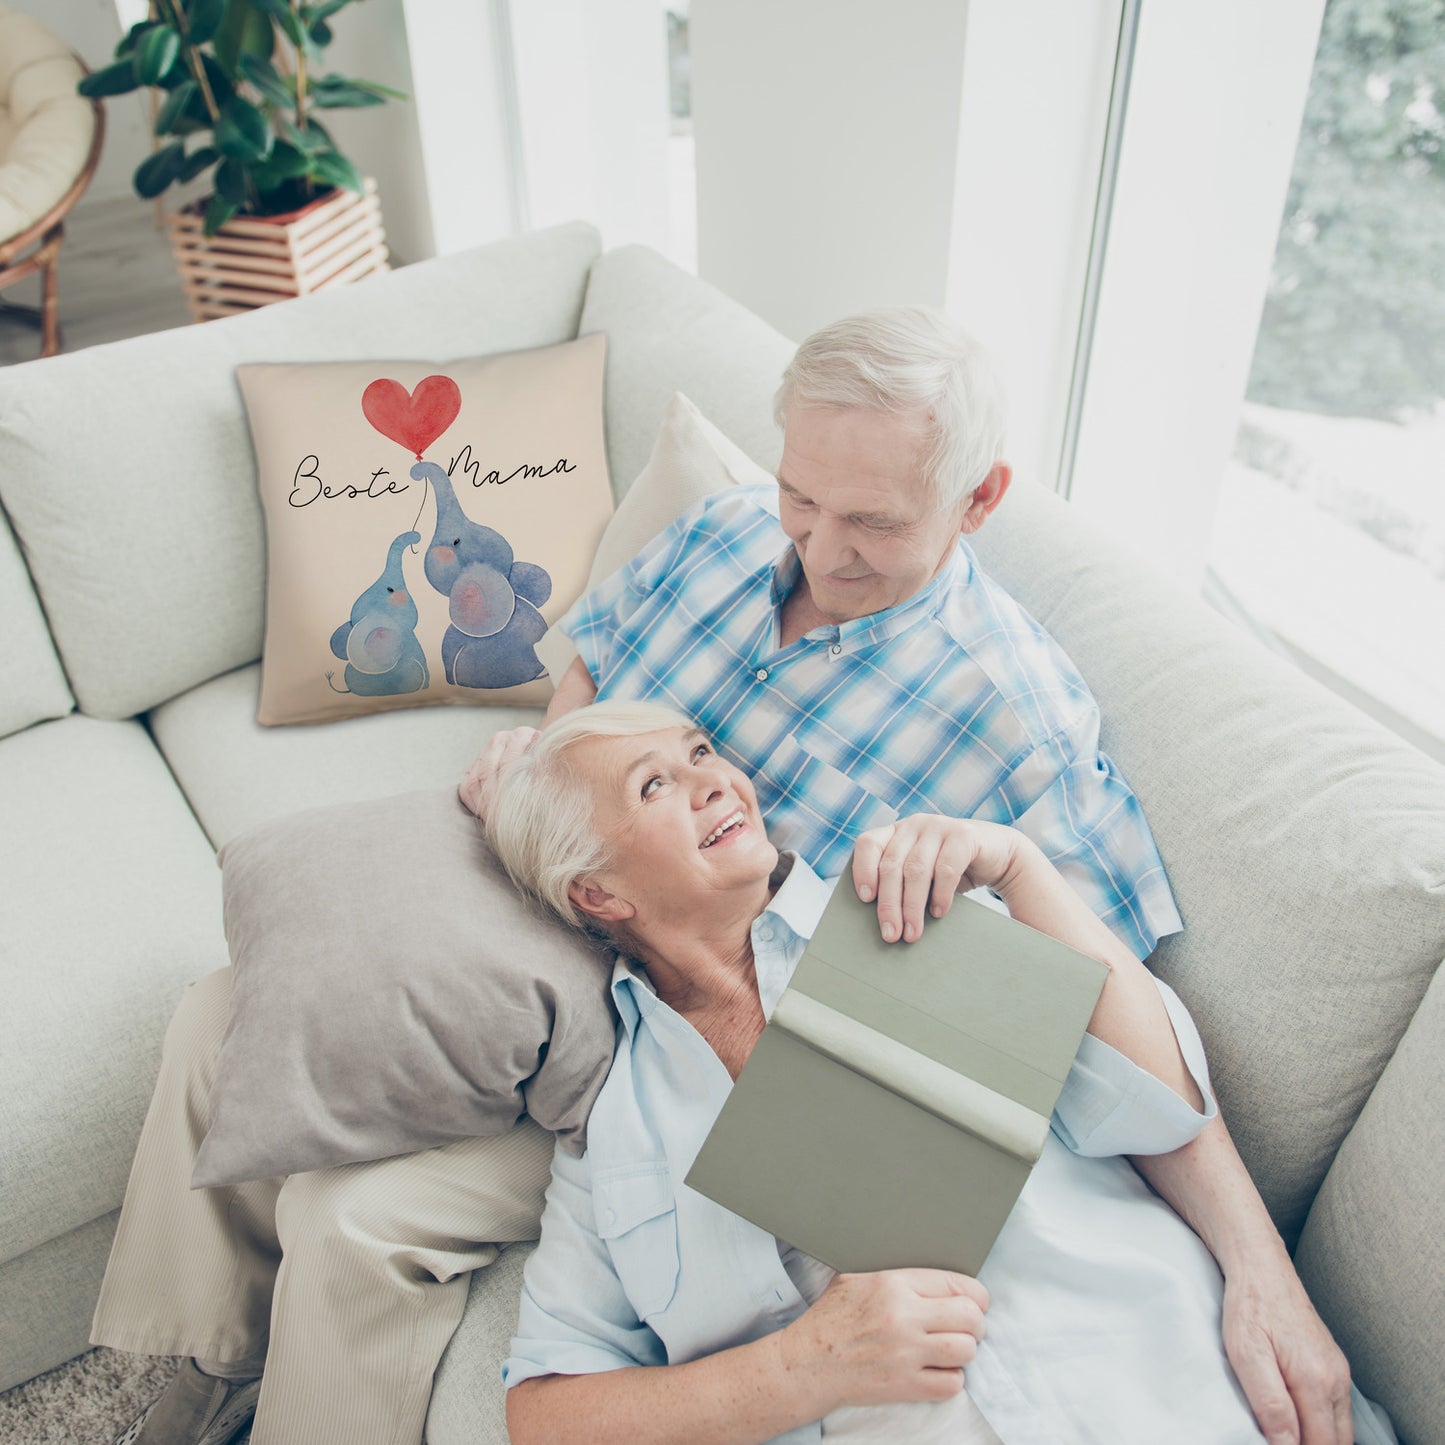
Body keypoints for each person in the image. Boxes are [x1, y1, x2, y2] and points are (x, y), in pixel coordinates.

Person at [94, 309, 1347, 1445]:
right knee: (229, 1007)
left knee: (356, 1219)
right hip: (581, 887)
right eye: (803, 495)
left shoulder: (1016, 725)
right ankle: (192, 1365)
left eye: (871, 521)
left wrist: (1260, 1267)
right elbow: (590, 668)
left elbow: (1104, 1021)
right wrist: (544, 763)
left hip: (691, 1014)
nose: (818, 545)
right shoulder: (725, 532)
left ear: (976, 501)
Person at [486, 700, 1383, 1445]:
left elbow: (1158, 1106)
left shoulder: (909, 907)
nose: (714, 779)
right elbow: (545, 1412)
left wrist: (1021, 869)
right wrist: (802, 1367)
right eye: (655, 784)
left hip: (1175, 1391)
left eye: (700, 752)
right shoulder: (614, 1132)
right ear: (597, 893)